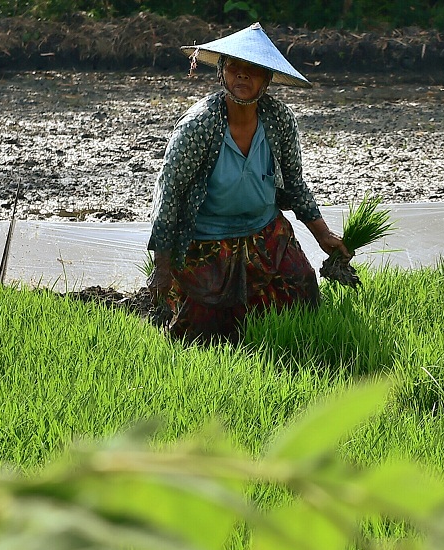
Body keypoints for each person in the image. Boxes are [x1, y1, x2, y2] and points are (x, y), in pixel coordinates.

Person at [146, 23, 349, 344]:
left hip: (266, 234)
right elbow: (170, 196)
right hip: (207, 242)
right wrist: (162, 268)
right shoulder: (199, 126)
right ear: (222, 73)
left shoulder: (279, 120)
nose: (242, 76)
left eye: (252, 70)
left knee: (301, 290)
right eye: (234, 68)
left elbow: (295, 184)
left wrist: (323, 235)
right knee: (204, 330)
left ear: (266, 81)